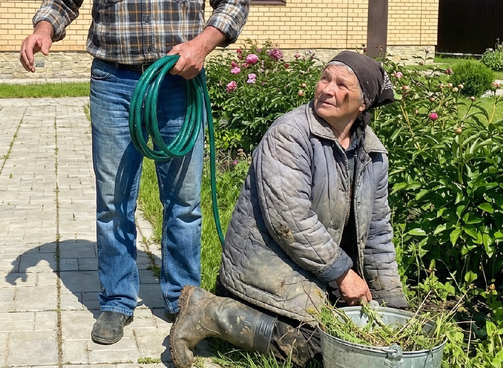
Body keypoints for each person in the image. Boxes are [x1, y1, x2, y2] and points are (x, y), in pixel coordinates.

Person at [19, 0, 250, 346]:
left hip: (176, 86)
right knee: (113, 201)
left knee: (183, 203)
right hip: (114, 84)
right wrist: (44, 28)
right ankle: (117, 300)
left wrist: (203, 44)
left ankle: (184, 300)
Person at [168, 51, 407, 367]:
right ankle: (211, 312)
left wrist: (394, 309)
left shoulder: (372, 155)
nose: (327, 90)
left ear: (364, 103)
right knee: (321, 351)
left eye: (341, 85)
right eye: (325, 79)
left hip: (317, 272)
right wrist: (342, 274)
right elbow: (291, 220)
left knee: (360, 339)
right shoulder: (290, 134)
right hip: (265, 273)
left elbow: (377, 233)